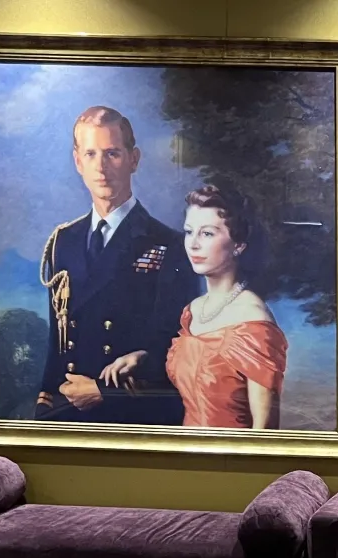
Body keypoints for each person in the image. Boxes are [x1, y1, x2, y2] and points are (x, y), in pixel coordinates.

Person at [35, 106, 199, 424]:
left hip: (133, 415)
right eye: (91, 154)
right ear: (78, 161)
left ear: (133, 159)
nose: (101, 167)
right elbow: (59, 338)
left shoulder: (169, 244)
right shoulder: (63, 241)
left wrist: (105, 391)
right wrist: (45, 406)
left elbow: (179, 344)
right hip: (68, 410)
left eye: (112, 153)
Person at [164, 185, 288, 429]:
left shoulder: (253, 319)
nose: (193, 244)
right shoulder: (192, 311)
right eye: (189, 232)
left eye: (207, 234)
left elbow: (265, 430)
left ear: (238, 245)